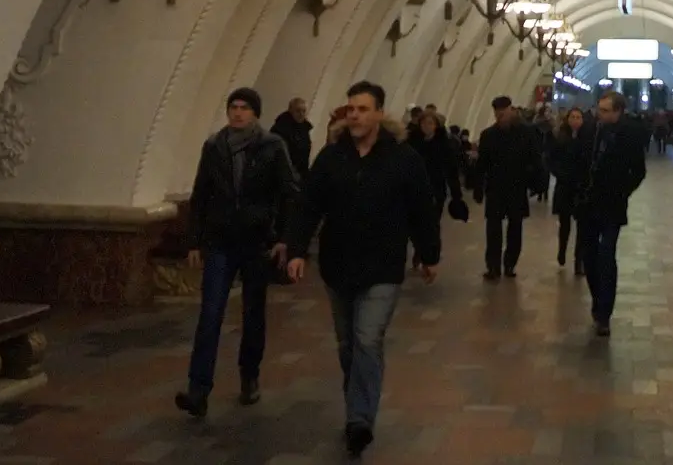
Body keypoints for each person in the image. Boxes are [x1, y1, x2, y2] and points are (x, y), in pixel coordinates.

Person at [284, 81, 440, 458]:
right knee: (347, 345)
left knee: (368, 338)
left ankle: (359, 419)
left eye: (363, 108)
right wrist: (297, 250)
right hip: (338, 266)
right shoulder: (331, 158)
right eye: (351, 108)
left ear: (380, 113)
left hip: (383, 266)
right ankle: (357, 405)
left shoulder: (403, 159)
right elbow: (309, 206)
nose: (354, 114)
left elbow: (422, 208)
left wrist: (429, 253)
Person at [175, 87, 298, 419]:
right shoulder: (214, 147)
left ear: (255, 113)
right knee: (210, 313)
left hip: (257, 242)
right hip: (220, 241)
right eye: (233, 107)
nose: (238, 112)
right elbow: (201, 195)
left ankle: (249, 376)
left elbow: (289, 192)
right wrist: (194, 242)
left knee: (253, 313)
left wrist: (285, 238)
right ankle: (198, 389)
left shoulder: (272, 146)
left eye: (244, 107)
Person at [574, 90, 647, 337]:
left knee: (606, 256)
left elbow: (638, 170)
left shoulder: (631, 134)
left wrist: (622, 191)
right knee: (589, 257)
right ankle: (597, 300)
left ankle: (604, 313)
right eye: (599, 109)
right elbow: (577, 161)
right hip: (587, 204)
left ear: (618, 111)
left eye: (605, 111)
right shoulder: (589, 131)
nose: (599, 114)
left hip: (612, 205)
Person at [474, 96, 544, 279]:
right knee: (493, 230)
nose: (500, 117)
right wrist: (478, 187)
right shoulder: (488, 135)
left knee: (515, 228)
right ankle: (493, 266)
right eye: (497, 114)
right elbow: (482, 164)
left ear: (511, 110)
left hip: (517, 187)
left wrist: (536, 184)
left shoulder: (526, 133)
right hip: (495, 188)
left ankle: (510, 264)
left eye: (503, 113)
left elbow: (535, 159)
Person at [406, 107, 463, 225]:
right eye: (423, 123)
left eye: (430, 123)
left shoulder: (444, 145)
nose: (426, 126)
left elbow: (451, 169)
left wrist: (456, 194)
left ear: (436, 125)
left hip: (436, 188)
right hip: (415, 187)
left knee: (432, 221)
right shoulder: (412, 143)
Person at [548, 106, 587, 274]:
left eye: (579, 117)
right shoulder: (559, 138)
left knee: (582, 226)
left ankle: (579, 261)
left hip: (581, 188)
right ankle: (562, 250)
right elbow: (551, 160)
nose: (576, 120)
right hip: (564, 186)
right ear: (568, 119)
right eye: (573, 117)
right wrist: (560, 174)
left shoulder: (588, 139)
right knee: (564, 223)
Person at [271, 96, 314, 177]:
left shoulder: (304, 129)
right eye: (298, 111)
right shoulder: (280, 128)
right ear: (290, 111)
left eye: (303, 111)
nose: (301, 114)